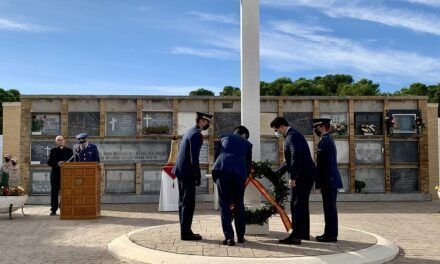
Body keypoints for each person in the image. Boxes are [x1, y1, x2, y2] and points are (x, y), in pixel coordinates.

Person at [270, 117, 316, 245]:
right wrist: (275, 174)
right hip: (306, 175)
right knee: (301, 204)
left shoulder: (292, 136)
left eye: (276, 130)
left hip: (301, 176)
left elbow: (296, 157)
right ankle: (303, 233)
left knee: (296, 205)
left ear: (282, 127)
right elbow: (290, 161)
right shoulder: (293, 135)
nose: (276, 133)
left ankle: (295, 236)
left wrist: (293, 177)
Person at [172, 112, 213, 241]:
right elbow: (193, 157)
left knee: (183, 202)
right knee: (188, 203)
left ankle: (185, 230)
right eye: (207, 122)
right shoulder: (196, 135)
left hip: (181, 170)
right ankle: (186, 233)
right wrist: (197, 174)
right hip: (187, 172)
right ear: (201, 121)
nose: (208, 125)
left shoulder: (189, 131)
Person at [212, 125, 252, 246]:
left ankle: (229, 237)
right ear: (244, 135)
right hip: (239, 173)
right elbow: (248, 165)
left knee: (224, 204)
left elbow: (216, 155)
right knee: (239, 203)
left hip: (222, 170)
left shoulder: (224, 138)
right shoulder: (247, 144)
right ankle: (240, 236)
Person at [313, 118, 343, 243]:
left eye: (316, 127)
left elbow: (323, 166)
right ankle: (329, 233)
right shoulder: (327, 140)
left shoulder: (324, 142)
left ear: (322, 127)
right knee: (330, 208)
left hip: (328, 181)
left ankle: (330, 235)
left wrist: (319, 183)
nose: (315, 130)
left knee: (329, 209)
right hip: (330, 180)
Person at [47, 135, 73, 216]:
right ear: (56, 142)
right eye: (58, 140)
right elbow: (49, 162)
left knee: (65, 192)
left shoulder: (70, 151)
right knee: (54, 193)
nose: (60, 141)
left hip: (66, 175)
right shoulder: (53, 150)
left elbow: (73, 162)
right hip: (55, 175)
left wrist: (66, 163)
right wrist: (57, 163)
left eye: (61, 140)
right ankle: (53, 210)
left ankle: (64, 208)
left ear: (64, 141)